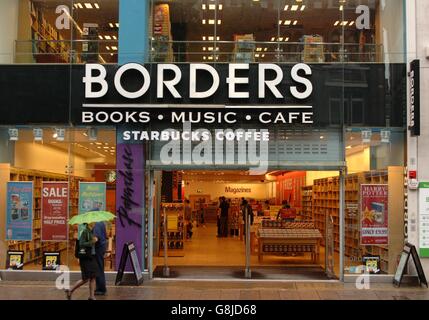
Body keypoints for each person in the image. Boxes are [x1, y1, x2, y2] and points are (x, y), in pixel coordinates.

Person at [65, 223, 99, 300]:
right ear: (89, 223)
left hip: (90, 257)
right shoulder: (85, 232)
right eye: (93, 222)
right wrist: (92, 241)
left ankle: (91, 296)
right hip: (85, 258)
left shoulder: (90, 232)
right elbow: (81, 244)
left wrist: (93, 240)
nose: (95, 223)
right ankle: (70, 290)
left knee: (93, 276)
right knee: (86, 279)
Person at [93, 221, 107, 296]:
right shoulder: (102, 223)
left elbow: (96, 238)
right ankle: (101, 287)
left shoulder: (97, 224)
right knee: (100, 268)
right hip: (102, 247)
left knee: (99, 268)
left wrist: (88, 242)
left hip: (98, 249)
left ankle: (101, 289)